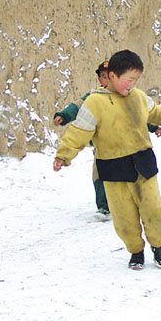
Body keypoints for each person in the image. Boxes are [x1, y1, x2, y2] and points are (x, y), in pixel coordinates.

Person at [53, 50, 161, 270]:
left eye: (136, 80)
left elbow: (157, 114)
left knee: (155, 211)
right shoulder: (94, 102)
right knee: (124, 219)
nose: (132, 84)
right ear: (112, 76)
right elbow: (78, 132)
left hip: (143, 164)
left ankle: (159, 245)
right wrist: (63, 155)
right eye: (129, 79)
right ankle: (135, 251)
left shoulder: (138, 97)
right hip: (113, 170)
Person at [53, 60, 111, 219]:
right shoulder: (93, 96)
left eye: (110, 77)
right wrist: (63, 116)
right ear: (100, 79)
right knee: (99, 175)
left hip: (123, 145)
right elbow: (77, 106)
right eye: (103, 77)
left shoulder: (123, 95)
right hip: (101, 147)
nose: (107, 80)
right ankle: (104, 207)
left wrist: (155, 127)